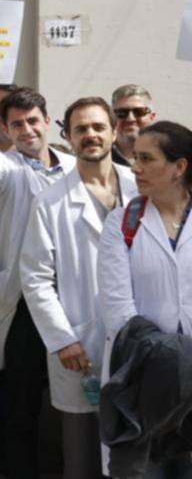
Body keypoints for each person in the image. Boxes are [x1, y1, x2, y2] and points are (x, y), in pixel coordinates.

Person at [20, 97, 137, 479]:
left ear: (114, 132)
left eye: (98, 127)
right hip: (81, 346)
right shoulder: (50, 201)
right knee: (83, 454)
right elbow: (36, 278)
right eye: (81, 129)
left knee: (140, 448)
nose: (91, 135)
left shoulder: (141, 187)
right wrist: (62, 339)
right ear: (68, 137)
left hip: (141, 338)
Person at [0, 72, 76, 479]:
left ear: (47, 121)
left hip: (73, 297)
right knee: (22, 401)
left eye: (33, 121)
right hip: (24, 302)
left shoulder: (73, 167)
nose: (27, 130)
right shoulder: (7, 171)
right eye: (16, 124)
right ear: (6, 130)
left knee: (75, 396)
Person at [98, 121, 192, 478]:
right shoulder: (122, 223)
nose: (134, 167)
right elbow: (118, 309)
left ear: (178, 167)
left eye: (146, 159)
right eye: (135, 157)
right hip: (142, 382)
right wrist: (171, 356)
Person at [110, 84, 156, 166]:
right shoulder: (99, 157)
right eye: (122, 113)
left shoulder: (167, 156)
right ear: (112, 118)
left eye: (139, 112)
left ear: (152, 117)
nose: (130, 119)